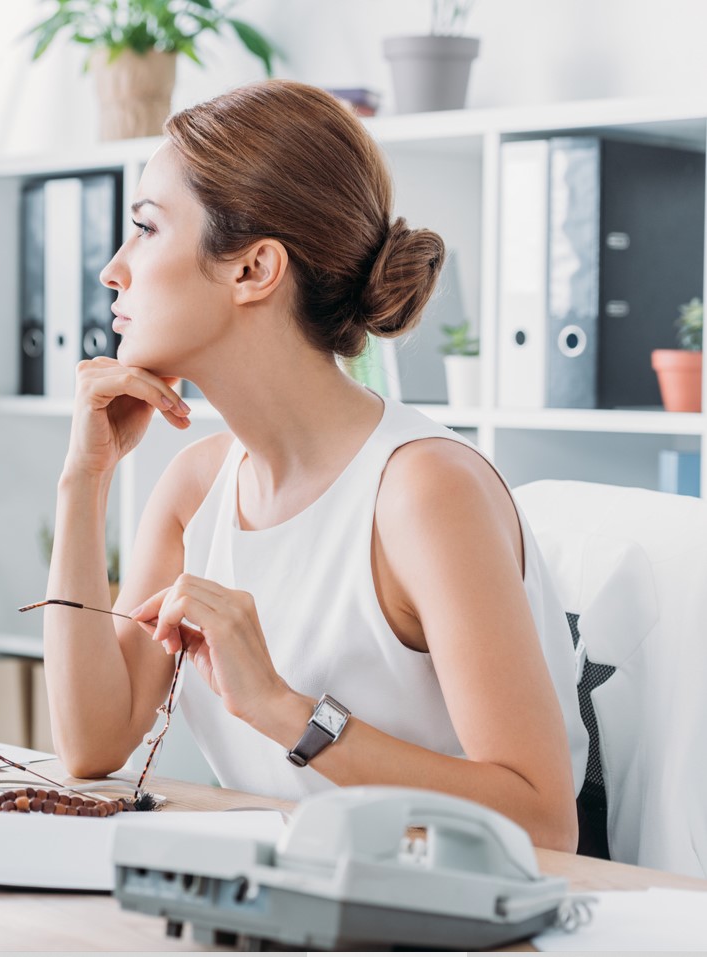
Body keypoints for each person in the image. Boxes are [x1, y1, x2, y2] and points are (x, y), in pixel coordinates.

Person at [41, 79, 588, 852]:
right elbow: (92, 743)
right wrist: (83, 480)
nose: (114, 269)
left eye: (146, 229)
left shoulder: (424, 491)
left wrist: (280, 707)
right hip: (293, 907)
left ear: (254, 269)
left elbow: (542, 821)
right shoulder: (195, 488)